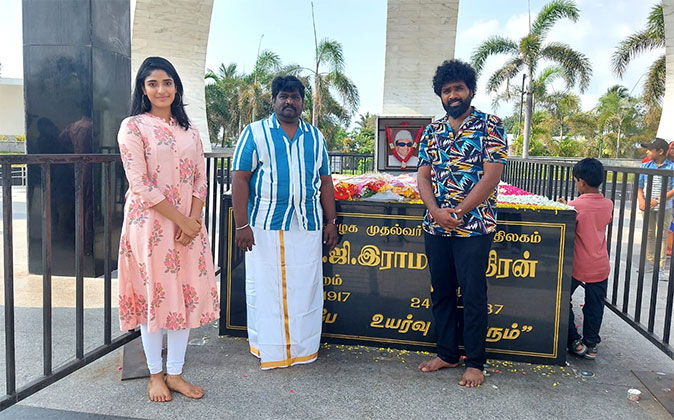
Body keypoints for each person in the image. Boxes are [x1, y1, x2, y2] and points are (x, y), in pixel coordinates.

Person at [117, 56, 219, 402]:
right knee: (155, 296)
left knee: (184, 296)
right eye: (153, 83)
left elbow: (201, 178)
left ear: (176, 86)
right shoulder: (133, 127)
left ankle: (175, 373)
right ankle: (155, 374)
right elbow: (140, 183)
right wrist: (181, 221)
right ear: (143, 89)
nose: (161, 89)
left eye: (167, 82)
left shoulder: (190, 130)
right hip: (151, 226)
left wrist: (194, 221)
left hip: (188, 226)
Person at [231, 75, 338, 370]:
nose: (289, 101)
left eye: (295, 97)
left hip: (307, 224)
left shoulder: (315, 136)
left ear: (302, 102)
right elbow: (240, 178)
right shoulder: (254, 133)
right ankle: (269, 348)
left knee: (306, 289)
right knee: (267, 290)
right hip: (265, 225)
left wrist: (331, 221)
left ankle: (303, 349)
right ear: (274, 100)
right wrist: (242, 225)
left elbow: (326, 182)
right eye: (284, 96)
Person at [416, 59, 507, 387]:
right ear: (440, 95)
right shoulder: (432, 131)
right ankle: (447, 353)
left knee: (472, 294)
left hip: (475, 226)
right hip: (436, 226)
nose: (452, 95)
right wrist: (436, 211)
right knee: (441, 291)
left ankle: (476, 362)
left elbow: (492, 176)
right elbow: (423, 176)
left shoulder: (491, 125)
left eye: (458, 88)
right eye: (446, 90)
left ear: (470, 90)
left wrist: (458, 212)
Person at [558, 158, 613, 360]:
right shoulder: (608, 204)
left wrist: (565, 207)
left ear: (581, 182)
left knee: (562, 298)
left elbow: (574, 221)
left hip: (577, 264)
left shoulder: (575, 206)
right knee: (595, 304)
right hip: (600, 264)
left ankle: (573, 340)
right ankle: (591, 344)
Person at [638, 138, 674, 278]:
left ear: (660, 152)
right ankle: (650, 262)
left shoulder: (671, 167)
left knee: (662, 235)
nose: (647, 152)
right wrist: (641, 200)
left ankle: (660, 267)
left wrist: (657, 200)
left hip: (665, 207)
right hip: (648, 206)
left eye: (650, 150)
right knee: (649, 233)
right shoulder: (645, 166)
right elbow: (640, 186)